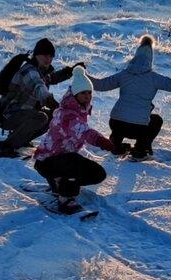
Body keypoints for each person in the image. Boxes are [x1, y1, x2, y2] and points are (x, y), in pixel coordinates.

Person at [94, 36, 171, 160]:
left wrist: (80, 74)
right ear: (150, 58)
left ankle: (116, 143)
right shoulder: (154, 78)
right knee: (156, 120)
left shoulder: (123, 75)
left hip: (115, 123)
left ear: (135, 56)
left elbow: (99, 85)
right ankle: (140, 149)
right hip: (138, 128)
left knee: (125, 116)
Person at [33, 71, 126, 213]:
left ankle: (60, 182)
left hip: (61, 161)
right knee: (74, 160)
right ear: (75, 95)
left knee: (98, 174)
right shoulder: (67, 114)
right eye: (83, 93)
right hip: (46, 162)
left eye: (89, 93)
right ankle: (66, 199)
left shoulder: (79, 112)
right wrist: (106, 143)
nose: (87, 96)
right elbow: (85, 132)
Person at [0, 38, 82, 157]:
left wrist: (71, 71)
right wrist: (58, 108)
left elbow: (52, 78)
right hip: (6, 115)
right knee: (41, 117)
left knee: (51, 116)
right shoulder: (30, 72)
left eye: (51, 56)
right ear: (36, 55)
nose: (48, 59)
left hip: (19, 113)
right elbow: (39, 88)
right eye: (45, 55)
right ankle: (6, 147)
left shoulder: (40, 71)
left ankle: (21, 140)